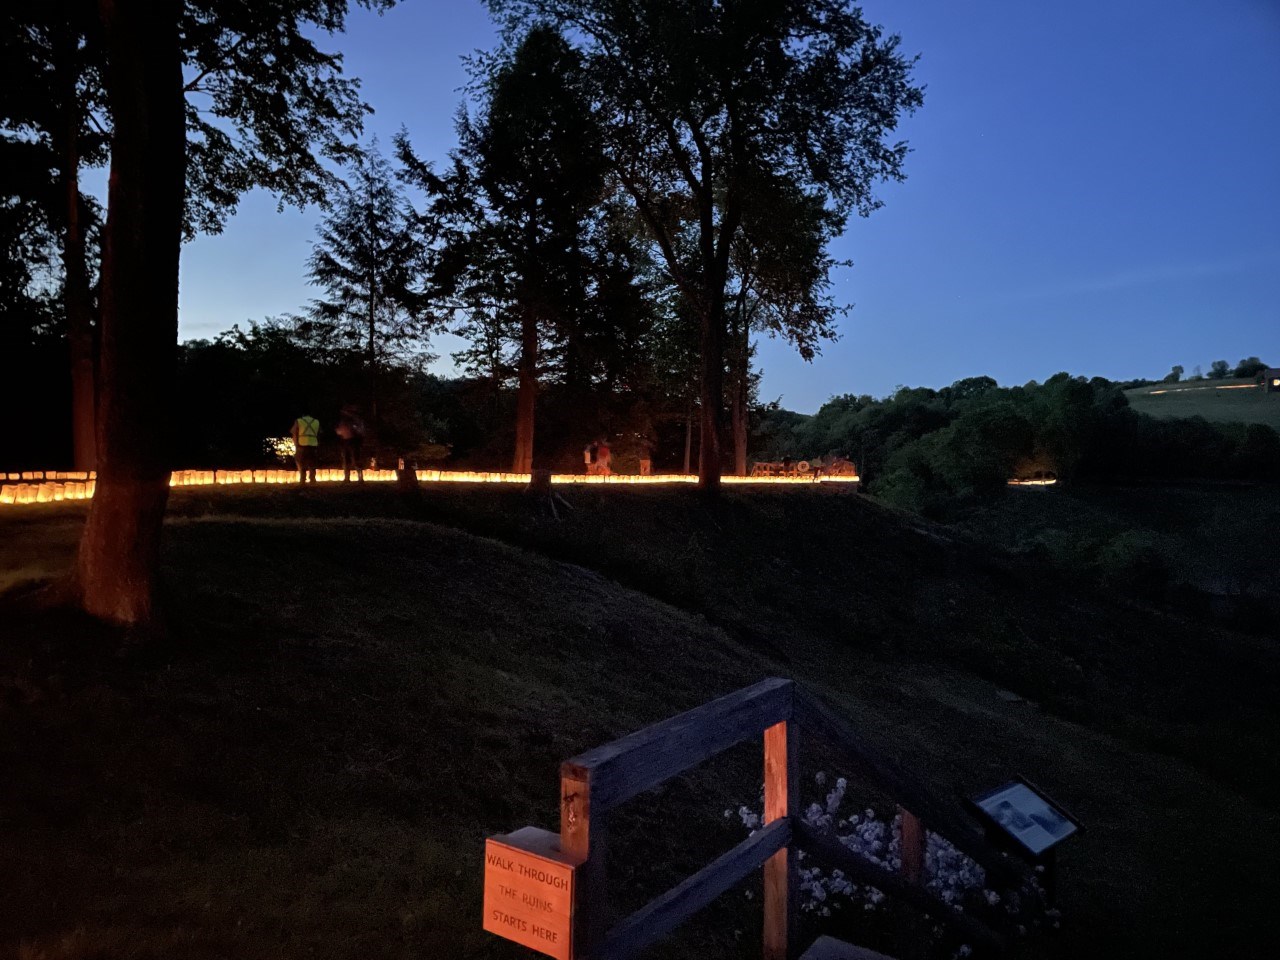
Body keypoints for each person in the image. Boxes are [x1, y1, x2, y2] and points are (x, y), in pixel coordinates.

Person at [335, 405, 366, 482]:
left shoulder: (354, 421)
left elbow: (359, 431)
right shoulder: (345, 421)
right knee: (346, 460)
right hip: (346, 442)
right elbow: (340, 431)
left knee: (355, 460)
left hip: (353, 442)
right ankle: (347, 478)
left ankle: (360, 477)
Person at [291, 411, 320, 483]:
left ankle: (302, 479)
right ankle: (312, 479)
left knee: (300, 461)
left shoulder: (299, 421)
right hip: (313, 444)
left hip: (302, 444)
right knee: (312, 462)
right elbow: (319, 433)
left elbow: (294, 433)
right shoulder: (316, 422)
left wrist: (296, 444)